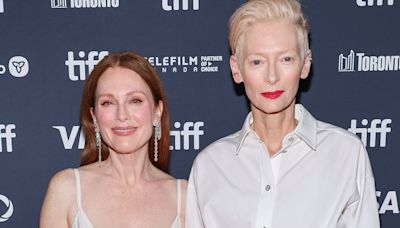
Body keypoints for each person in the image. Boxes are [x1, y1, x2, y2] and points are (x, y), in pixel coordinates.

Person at [186, 0, 380, 227]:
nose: (271, 76)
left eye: (286, 59)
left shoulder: (345, 153)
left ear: (305, 64)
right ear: (236, 69)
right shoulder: (209, 166)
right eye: (257, 61)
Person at [40, 51, 187, 228]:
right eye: (108, 103)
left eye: (135, 100)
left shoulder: (183, 197)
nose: (122, 115)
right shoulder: (67, 190)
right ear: (94, 117)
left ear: (157, 112)